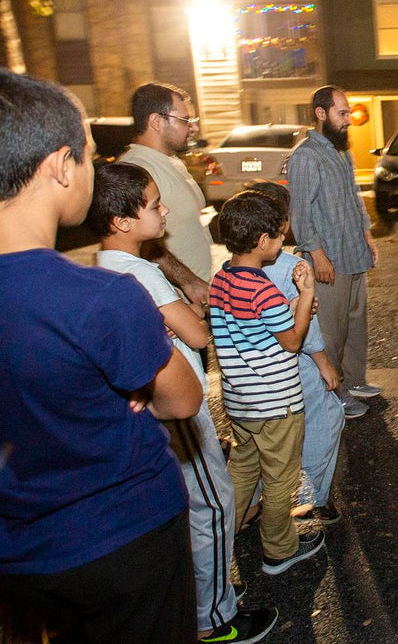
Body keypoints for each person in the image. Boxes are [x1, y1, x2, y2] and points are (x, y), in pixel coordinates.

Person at [0, 69, 202, 643]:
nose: (92, 166)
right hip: (123, 537)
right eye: (87, 152)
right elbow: (182, 398)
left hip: (10, 549)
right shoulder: (102, 297)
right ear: (60, 166)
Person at [87, 163, 278, 644]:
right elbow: (197, 332)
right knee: (212, 507)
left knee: (183, 510)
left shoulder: (104, 268)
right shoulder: (140, 273)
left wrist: (176, 319)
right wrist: (190, 315)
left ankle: (193, 606)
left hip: (152, 411)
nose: (165, 209)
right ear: (121, 221)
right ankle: (214, 619)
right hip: (181, 413)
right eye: (153, 205)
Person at [210, 190, 326, 575]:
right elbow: (292, 341)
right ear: (263, 242)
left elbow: (256, 329)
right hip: (277, 403)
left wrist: (291, 308)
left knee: (242, 471)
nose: (282, 241)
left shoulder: (221, 280)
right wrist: (306, 296)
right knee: (280, 478)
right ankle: (278, 549)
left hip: (241, 402)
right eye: (278, 235)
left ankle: (222, 542)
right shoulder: (262, 288)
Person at [248, 180, 345, 525]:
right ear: (282, 223)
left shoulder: (229, 272)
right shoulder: (291, 267)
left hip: (253, 373)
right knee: (323, 421)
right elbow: (307, 332)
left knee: (266, 441)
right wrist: (325, 365)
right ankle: (311, 499)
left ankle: (257, 503)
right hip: (294, 367)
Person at [287, 85, 380, 420]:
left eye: (348, 113)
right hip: (330, 260)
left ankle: (354, 380)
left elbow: (355, 198)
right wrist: (318, 256)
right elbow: (301, 213)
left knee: (356, 324)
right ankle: (335, 394)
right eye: (342, 113)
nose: (348, 120)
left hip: (354, 253)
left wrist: (367, 235)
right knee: (330, 331)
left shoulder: (343, 152)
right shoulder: (306, 156)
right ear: (320, 113)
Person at [120, 82, 212, 309]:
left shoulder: (171, 161)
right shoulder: (137, 168)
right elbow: (141, 243)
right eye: (184, 120)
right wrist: (189, 282)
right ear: (156, 121)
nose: (193, 128)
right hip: (173, 304)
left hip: (197, 298)